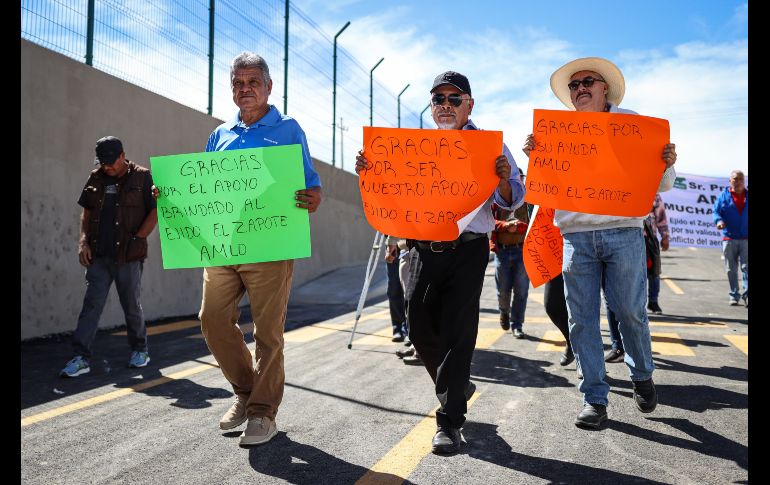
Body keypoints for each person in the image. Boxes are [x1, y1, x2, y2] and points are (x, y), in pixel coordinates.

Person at [356, 71, 525, 454]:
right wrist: (369, 172)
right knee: (418, 326)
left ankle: (450, 421)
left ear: (469, 104)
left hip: (468, 249)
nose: (445, 105)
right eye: (438, 99)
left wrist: (500, 182)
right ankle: (457, 386)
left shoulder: (490, 146)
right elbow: (391, 193)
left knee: (457, 333)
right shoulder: (413, 148)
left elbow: (512, 199)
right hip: (421, 248)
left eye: (453, 98)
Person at [166, 52, 322, 447]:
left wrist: (312, 197)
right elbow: (204, 189)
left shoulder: (288, 129)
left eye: (253, 82)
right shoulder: (220, 134)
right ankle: (244, 390)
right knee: (211, 319)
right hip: (222, 246)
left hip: (269, 245)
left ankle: (262, 413)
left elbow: (312, 186)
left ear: (269, 87)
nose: (245, 89)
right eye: (237, 83)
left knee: (268, 333)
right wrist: (171, 194)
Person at [523, 57, 677, 429]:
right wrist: (535, 158)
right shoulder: (558, 132)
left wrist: (667, 163)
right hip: (575, 236)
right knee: (581, 321)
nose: (579, 90)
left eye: (586, 82)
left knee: (630, 312)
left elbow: (664, 184)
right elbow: (543, 188)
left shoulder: (632, 124)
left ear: (604, 87)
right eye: (574, 86)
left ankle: (641, 374)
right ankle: (594, 398)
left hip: (624, 233)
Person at [60, 136, 158, 377]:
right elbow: (87, 212)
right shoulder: (96, 178)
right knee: (91, 305)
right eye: (102, 162)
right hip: (100, 256)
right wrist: (83, 241)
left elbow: (156, 210)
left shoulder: (143, 177)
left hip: (128, 256)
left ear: (122, 155)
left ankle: (140, 350)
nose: (107, 167)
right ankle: (80, 357)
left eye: (111, 162)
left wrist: (138, 238)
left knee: (131, 305)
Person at [490, 169, 531, 339]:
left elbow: (533, 222)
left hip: (522, 250)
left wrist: (517, 226)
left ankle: (517, 324)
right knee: (503, 290)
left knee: (521, 291)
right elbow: (488, 221)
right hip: (502, 251)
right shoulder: (496, 199)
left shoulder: (527, 201)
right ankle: (504, 313)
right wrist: (505, 226)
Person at [713, 170, 748, 307]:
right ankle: (734, 295)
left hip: (746, 239)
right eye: (735, 179)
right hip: (729, 238)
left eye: (740, 179)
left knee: (747, 268)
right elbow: (716, 211)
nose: (738, 181)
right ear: (730, 181)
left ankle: (747, 295)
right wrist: (719, 221)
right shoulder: (723, 196)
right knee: (731, 269)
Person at [646, 193, 670, 314]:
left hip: (650, 239)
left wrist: (665, 236)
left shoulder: (654, 193)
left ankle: (653, 301)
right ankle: (636, 304)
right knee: (632, 274)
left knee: (654, 272)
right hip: (630, 239)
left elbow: (661, 217)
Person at [385, 235, 407, 342]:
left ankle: (408, 328)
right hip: (394, 243)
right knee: (394, 288)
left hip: (411, 244)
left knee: (409, 290)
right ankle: (397, 327)